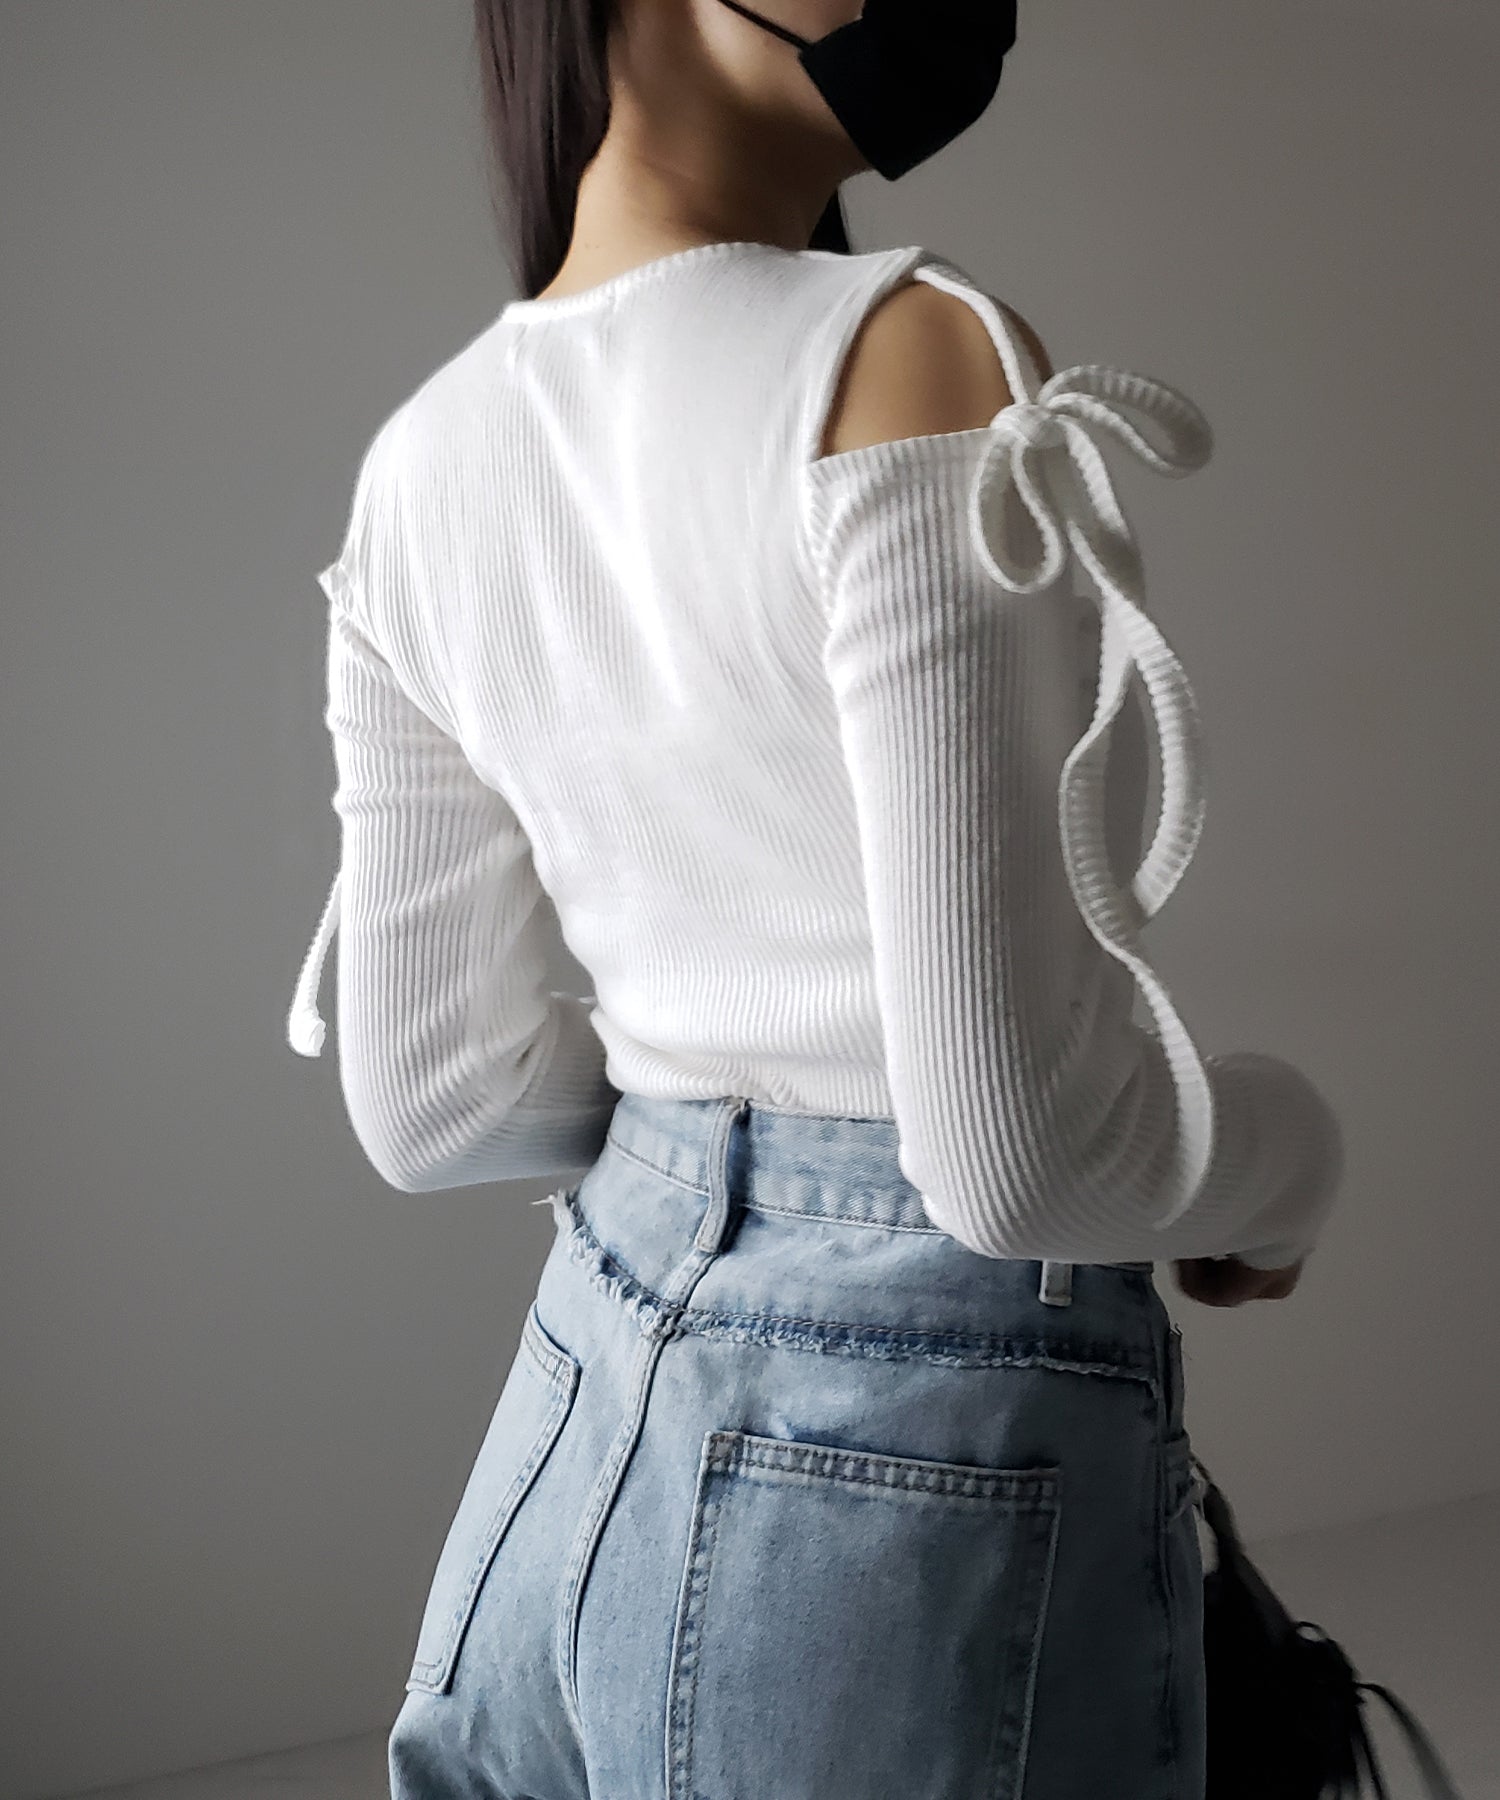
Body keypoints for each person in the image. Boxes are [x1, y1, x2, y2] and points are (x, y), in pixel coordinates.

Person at [286, 3, 1344, 1794]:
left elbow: (436, 1103)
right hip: (892, 1436)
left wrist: (705, 1131)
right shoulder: (908, 352)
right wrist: (1292, 1154)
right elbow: (1013, 1162)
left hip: (576, 1420)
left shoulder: (422, 462)